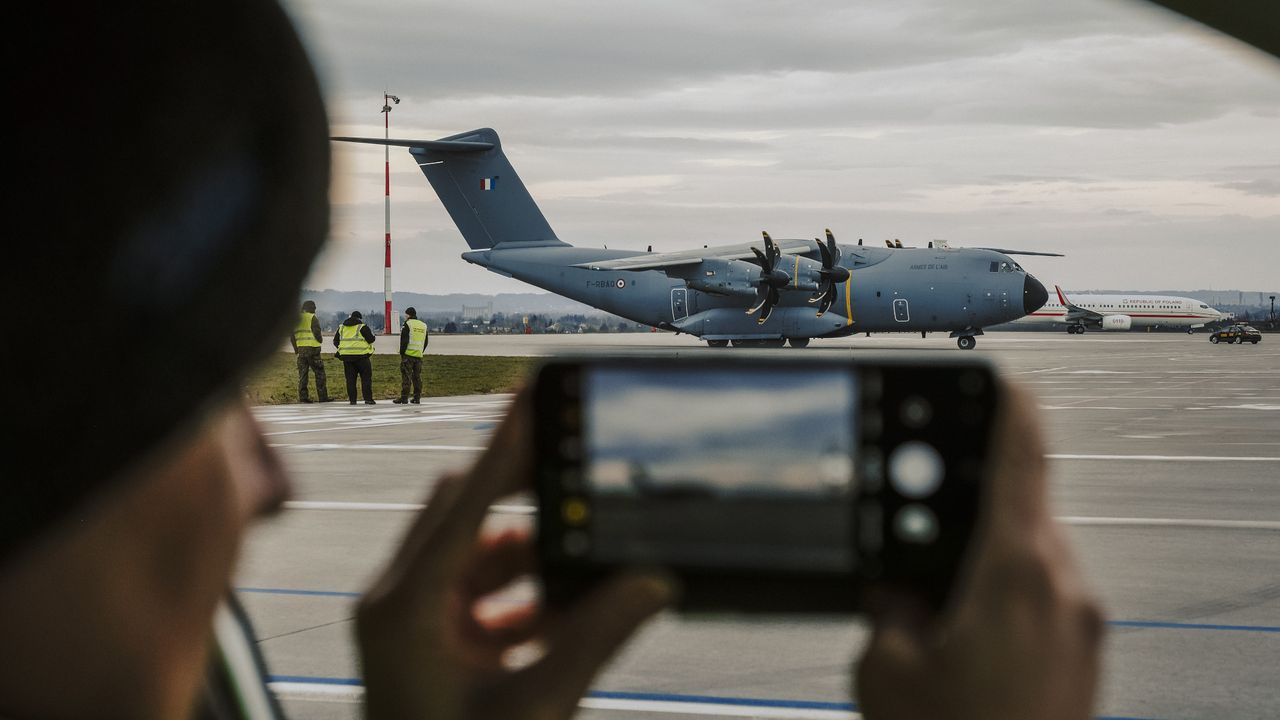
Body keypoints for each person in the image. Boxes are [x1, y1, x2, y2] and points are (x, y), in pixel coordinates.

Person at [1, 1, 1107, 718]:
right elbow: (670, 270)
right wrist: (738, 276)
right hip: (624, 268)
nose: (274, 480)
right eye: (202, 396)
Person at [291, 300, 330, 403]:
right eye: (314, 307)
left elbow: (292, 336)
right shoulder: (312, 317)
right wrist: (320, 340)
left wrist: (296, 349)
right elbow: (316, 332)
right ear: (310, 308)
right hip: (313, 350)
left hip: (301, 351)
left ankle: (303, 397)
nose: (315, 309)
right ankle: (323, 397)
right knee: (320, 373)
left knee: (303, 375)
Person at [334, 310, 377, 405]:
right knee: (366, 379)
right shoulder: (362, 327)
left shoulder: (341, 328)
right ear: (359, 318)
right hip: (362, 357)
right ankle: (368, 399)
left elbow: (335, 341)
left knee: (350, 380)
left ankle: (352, 400)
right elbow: (371, 339)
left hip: (347, 358)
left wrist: (343, 349)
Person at [394, 306, 429, 404]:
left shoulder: (407, 324)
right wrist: (420, 351)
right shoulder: (423, 325)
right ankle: (417, 398)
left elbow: (404, 341)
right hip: (418, 355)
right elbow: (425, 341)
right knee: (417, 377)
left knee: (406, 377)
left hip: (408, 355)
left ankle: (404, 397)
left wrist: (402, 353)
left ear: (408, 315)